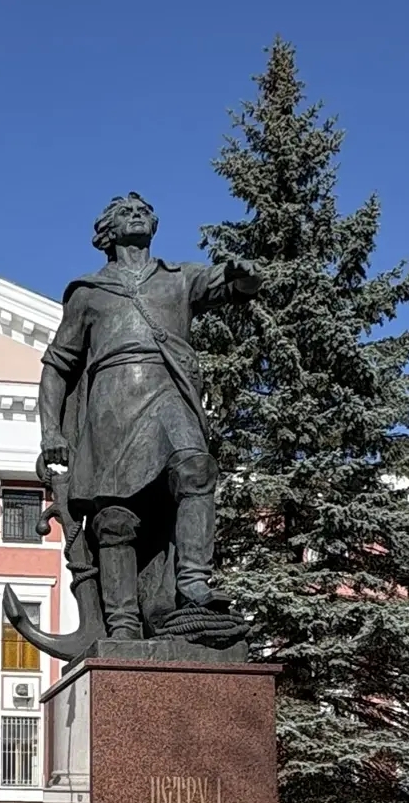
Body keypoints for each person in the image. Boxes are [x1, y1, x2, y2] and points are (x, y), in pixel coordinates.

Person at [38, 193, 260, 638]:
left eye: (143, 210)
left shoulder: (178, 279)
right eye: (125, 212)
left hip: (169, 390)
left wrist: (246, 276)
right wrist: (51, 431)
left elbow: (232, 285)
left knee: (196, 469)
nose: (137, 215)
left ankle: (194, 579)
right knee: (115, 516)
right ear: (107, 232)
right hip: (111, 403)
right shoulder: (89, 293)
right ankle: (122, 624)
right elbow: (58, 365)